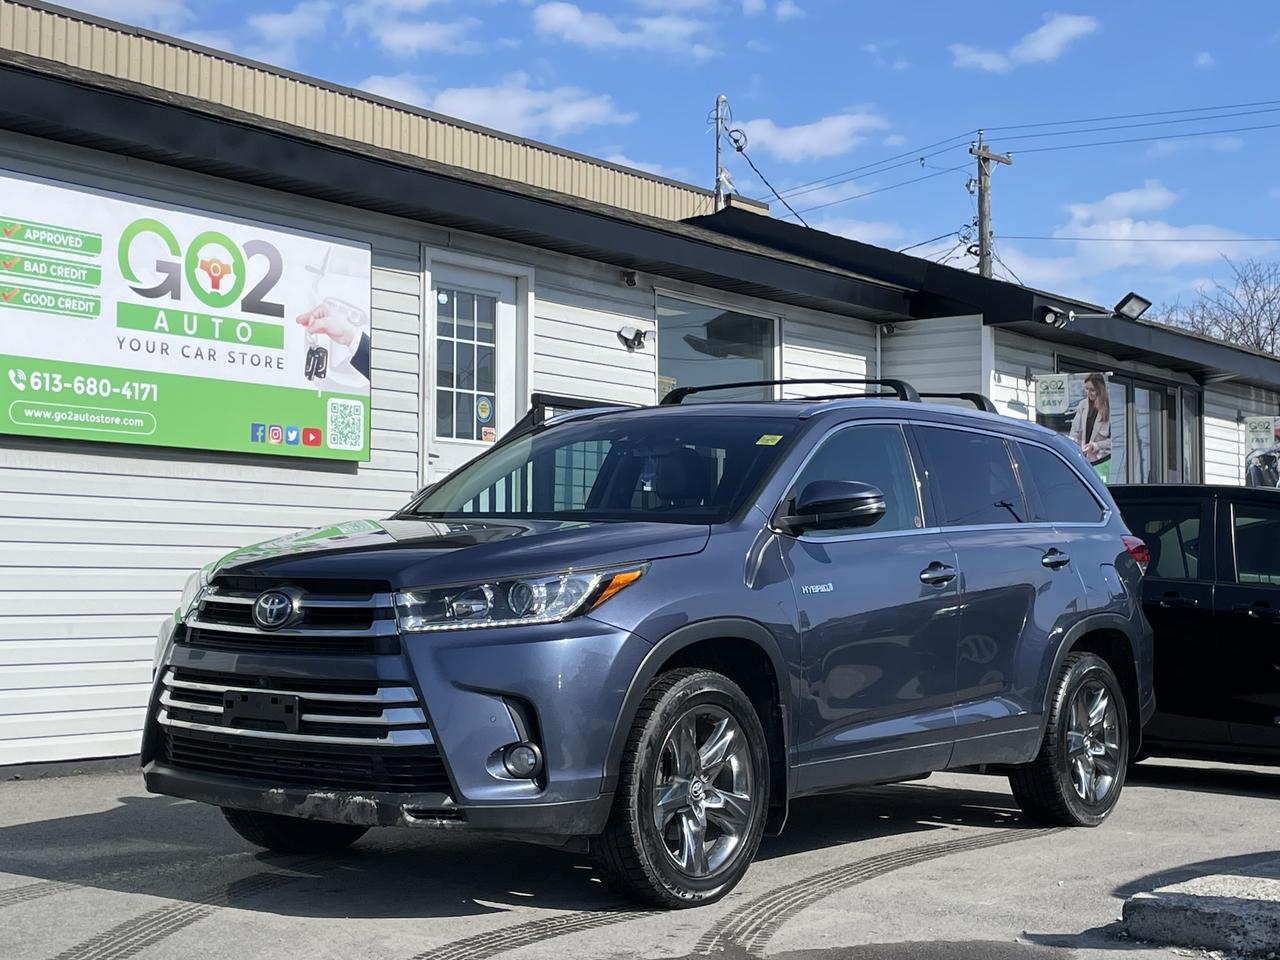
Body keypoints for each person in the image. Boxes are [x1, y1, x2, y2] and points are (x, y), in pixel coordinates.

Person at [1068, 372, 1111, 465]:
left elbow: (1113, 441)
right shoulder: (1082, 405)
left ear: (1100, 390)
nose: (1088, 393)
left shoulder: (1109, 408)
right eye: (1086, 389)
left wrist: (1095, 446)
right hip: (1082, 458)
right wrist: (1074, 445)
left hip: (1102, 460)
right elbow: (1074, 431)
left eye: (1092, 390)